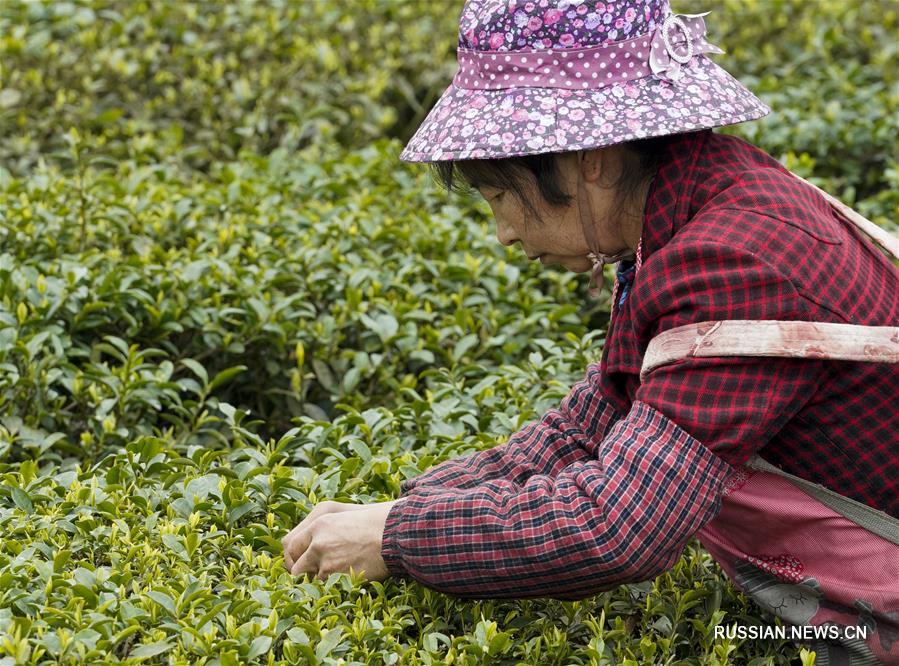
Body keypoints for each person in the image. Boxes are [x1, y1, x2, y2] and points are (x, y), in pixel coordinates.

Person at [282, 1, 899, 662]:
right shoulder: (696, 204)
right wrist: (399, 508)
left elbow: (616, 526)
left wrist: (400, 538)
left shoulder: (731, 260)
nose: (505, 233)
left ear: (592, 158)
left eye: (500, 196)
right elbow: (590, 422)